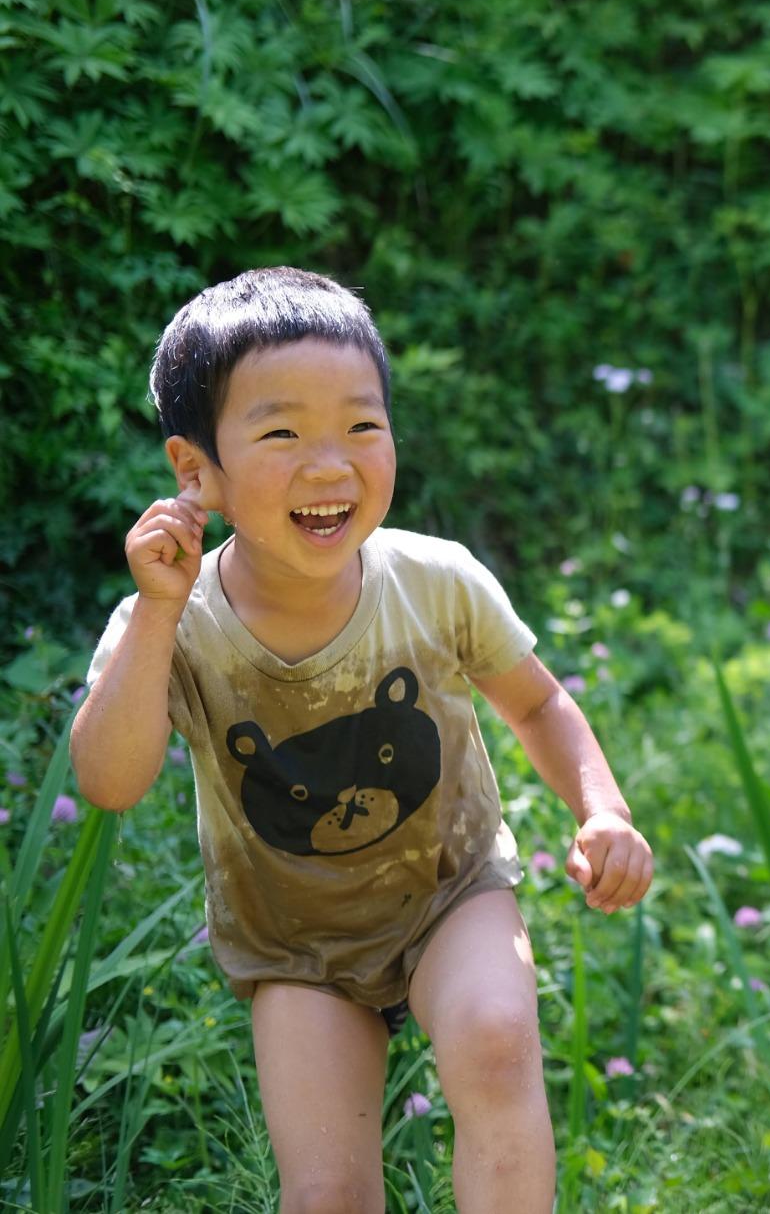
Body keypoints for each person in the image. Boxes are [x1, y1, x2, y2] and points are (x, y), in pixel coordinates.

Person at [70, 267, 654, 1212]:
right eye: (282, 431)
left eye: (361, 425)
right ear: (196, 470)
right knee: (328, 1193)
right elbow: (108, 780)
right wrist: (154, 615)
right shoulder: (169, 622)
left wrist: (603, 807)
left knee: (498, 1040)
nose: (331, 463)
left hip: (448, 889)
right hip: (294, 943)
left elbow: (539, 704)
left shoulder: (436, 581)